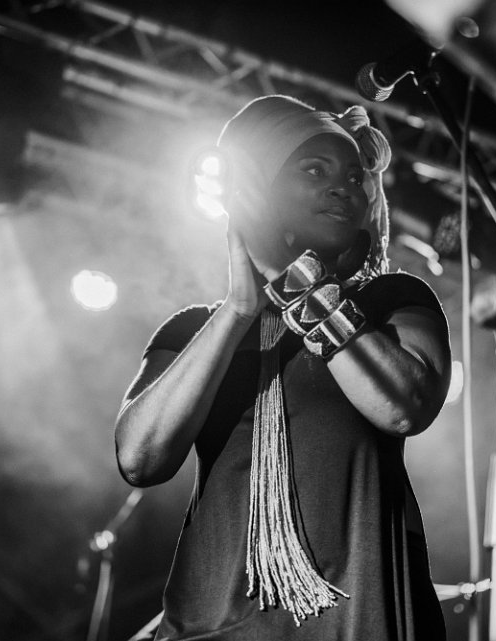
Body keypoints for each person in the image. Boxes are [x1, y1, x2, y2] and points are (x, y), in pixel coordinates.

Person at [115, 94, 451, 640]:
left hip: (352, 619)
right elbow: (140, 458)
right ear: (259, 190)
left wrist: (291, 277)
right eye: (314, 170)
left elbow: (403, 407)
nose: (344, 187)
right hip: (211, 624)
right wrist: (238, 310)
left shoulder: (391, 301)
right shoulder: (193, 330)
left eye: (354, 175)